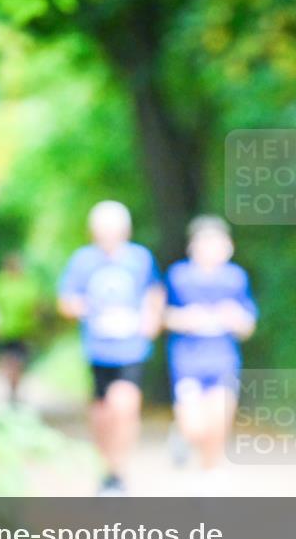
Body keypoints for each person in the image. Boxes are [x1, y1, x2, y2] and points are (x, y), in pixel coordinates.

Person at [58, 201, 165, 496]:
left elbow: (155, 291)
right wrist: (86, 308)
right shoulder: (83, 260)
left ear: (125, 230)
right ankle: (107, 468)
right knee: (103, 414)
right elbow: (66, 300)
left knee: (125, 405)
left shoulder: (140, 259)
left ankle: (119, 471)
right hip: (98, 349)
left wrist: (151, 319)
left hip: (131, 349)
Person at [164, 216, 256, 492]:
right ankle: (182, 435)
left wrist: (234, 318)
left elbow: (248, 324)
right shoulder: (179, 276)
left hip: (223, 358)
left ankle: (210, 471)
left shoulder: (235, 278)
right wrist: (185, 318)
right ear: (193, 247)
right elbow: (162, 315)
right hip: (187, 360)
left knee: (219, 417)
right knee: (195, 427)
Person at [0, 253, 41, 405]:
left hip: (23, 330)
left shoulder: (28, 283)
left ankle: (15, 389)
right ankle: (10, 388)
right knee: (9, 360)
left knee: (19, 361)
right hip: (4, 330)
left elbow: (34, 306)